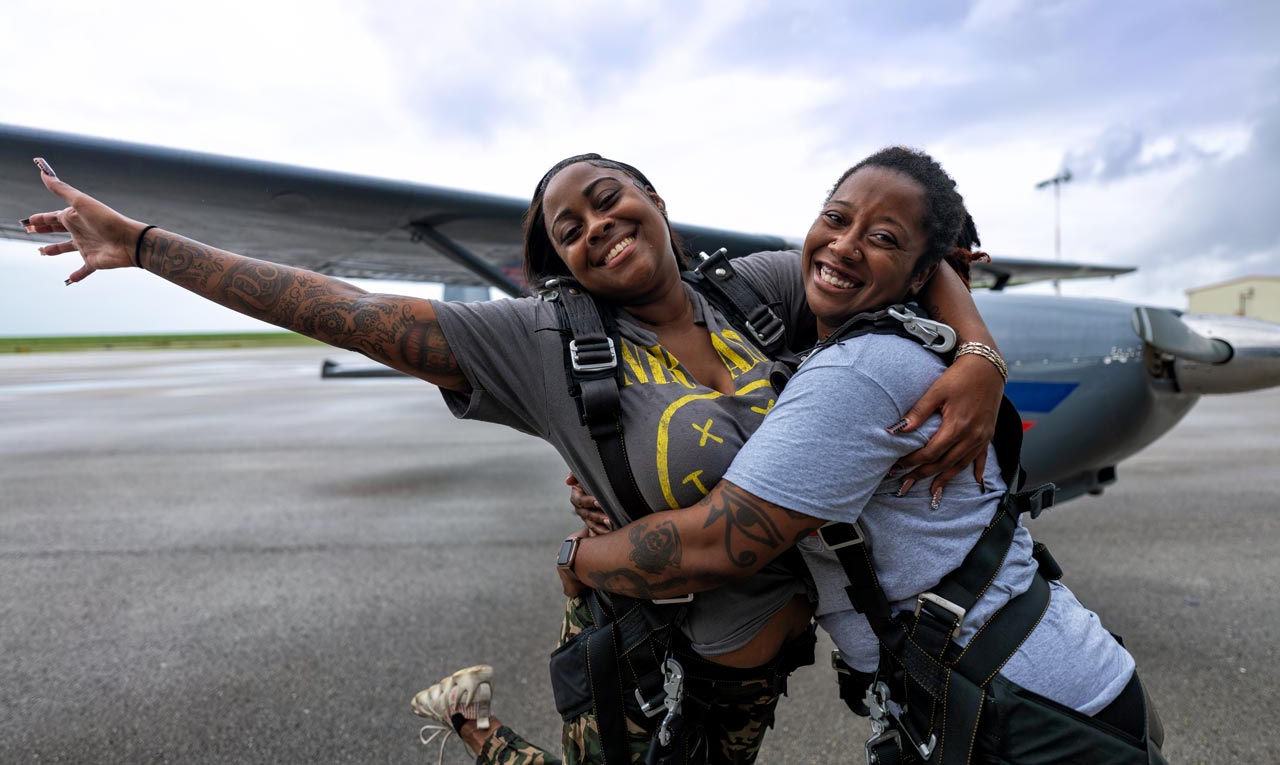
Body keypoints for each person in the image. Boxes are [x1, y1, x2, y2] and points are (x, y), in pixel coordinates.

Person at [22, 152, 1007, 765]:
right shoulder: (538, 341)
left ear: (658, 201)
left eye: (610, 200)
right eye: (567, 230)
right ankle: (467, 724)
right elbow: (346, 309)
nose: (595, 228)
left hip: (751, 665)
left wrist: (976, 354)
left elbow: (925, 254)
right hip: (638, 627)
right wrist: (147, 246)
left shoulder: (755, 286)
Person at [553, 148, 1166, 764]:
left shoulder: (858, 372)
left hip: (1031, 715)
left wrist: (581, 558)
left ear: (924, 271)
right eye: (836, 218)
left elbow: (711, 546)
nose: (843, 247)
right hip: (1036, 688)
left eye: (882, 238)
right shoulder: (893, 345)